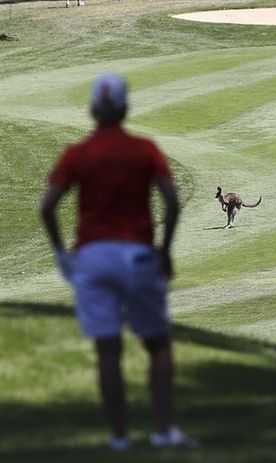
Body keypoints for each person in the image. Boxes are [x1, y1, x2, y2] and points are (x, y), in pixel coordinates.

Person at [40, 73, 195, 451]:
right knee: (157, 344)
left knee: (107, 350)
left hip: (92, 257)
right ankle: (162, 431)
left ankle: (119, 438)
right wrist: (166, 250)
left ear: (94, 109)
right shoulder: (145, 149)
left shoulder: (77, 153)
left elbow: (48, 207)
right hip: (138, 254)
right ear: (125, 108)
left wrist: (62, 254)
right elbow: (172, 201)